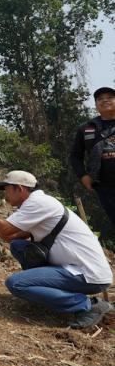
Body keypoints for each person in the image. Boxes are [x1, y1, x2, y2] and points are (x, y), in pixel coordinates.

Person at [0, 170, 113, 329]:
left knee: (16, 284)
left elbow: (5, 229)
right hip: (76, 269)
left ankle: (87, 305)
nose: (4, 194)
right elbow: (9, 237)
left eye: (6, 189)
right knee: (19, 246)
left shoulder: (38, 204)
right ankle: (49, 295)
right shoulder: (37, 203)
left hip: (87, 274)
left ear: (20, 189)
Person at [69, 86, 115, 246]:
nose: (105, 100)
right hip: (105, 186)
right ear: (96, 104)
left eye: (110, 97)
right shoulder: (87, 128)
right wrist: (83, 176)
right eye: (100, 99)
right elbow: (75, 156)